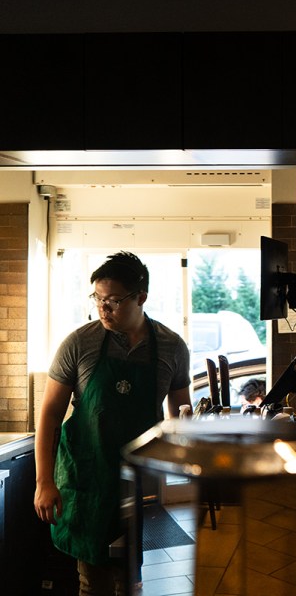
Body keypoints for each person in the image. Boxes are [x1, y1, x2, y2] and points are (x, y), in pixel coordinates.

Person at [34, 251, 192, 595]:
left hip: (137, 483)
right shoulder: (79, 343)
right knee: (93, 581)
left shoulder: (171, 347)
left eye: (113, 301)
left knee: (130, 579)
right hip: (87, 478)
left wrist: (183, 449)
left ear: (141, 297)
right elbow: (49, 415)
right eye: (98, 299)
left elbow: (181, 413)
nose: (102, 309)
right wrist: (44, 480)